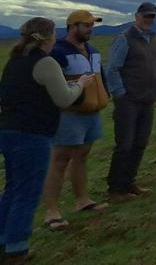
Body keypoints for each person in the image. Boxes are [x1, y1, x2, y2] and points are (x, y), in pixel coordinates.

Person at [0, 18, 91, 264]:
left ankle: (3, 240)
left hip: (8, 131)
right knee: (27, 193)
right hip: (33, 135)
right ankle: (16, 249)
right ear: (48, 37)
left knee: (13, 188)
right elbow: (64, 99)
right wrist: (80, 85)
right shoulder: (46, 62)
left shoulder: (15, 60)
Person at [42, 10, 109, 230]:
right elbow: (50, 85)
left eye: (92, 25)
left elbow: (102, 77)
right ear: (72, 27)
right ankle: (51, 211)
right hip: (68, 114)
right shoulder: (57, 52)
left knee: (82, 156)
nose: (90, 29)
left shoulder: (93, 51)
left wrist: (105, 96)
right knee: (60, 160)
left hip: (92, 113)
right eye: (86, 25)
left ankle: (82, 200)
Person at [105, 2, 156, 200]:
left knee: (140, 142)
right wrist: (121, 93)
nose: (149, 20)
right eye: (146, 16)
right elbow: (112, 68)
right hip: (128, 101)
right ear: (136, 16)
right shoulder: (124, 39)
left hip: (147, 99)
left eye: (152, 16)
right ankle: (115, 188)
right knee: (124, 144)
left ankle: (129, 182)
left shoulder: (154, 40)